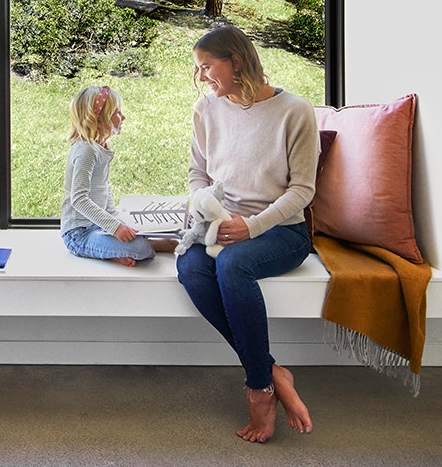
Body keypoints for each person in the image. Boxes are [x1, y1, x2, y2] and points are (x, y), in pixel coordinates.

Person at [176, 24, 319, 443]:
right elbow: (197, 174)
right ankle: (273, 372)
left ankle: (259, 392)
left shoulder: (295, 111)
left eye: (207, 67)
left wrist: (251, 225)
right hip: (222, 226)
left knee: (234, 265)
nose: (203, 77)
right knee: (190, 266)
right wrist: (207, 207)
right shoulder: (207, 110)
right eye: (199, 69)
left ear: (235, 61)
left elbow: (303, 191)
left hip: (281, 233)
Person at [60, 85, 155, 267]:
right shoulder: (86, 151)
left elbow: (104, 190)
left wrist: (117, 221)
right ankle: (129, 250)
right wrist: (115, 227)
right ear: (100, 118)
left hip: (98, 226)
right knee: (141, 248)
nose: (123, 117)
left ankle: (115, 249)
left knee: (139, 233)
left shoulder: (100, 148)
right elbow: (78, 199)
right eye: (117, 112)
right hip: (78, 235)